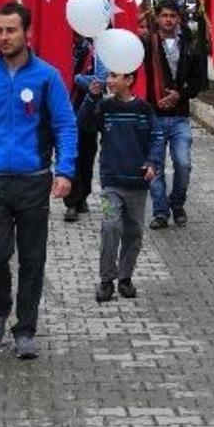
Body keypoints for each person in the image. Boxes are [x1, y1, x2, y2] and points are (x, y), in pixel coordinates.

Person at [0, 2, 77, 360]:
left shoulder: (47, 77)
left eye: (11, 30)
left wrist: (65, 171)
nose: (4, 37)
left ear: (27, 33)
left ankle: (25, 329)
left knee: (32, 260)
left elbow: (65, 126)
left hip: (34, 181)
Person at [78, 69, 160, 302]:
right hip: (111, 183)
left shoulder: (143, 109)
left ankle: (125, 277)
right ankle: (106, 280)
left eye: (115, 76)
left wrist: (152, 163)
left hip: (137, 183)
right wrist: (90, 98)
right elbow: (84, 125)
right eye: (109, 76)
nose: (109, 81)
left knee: (133, 232)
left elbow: (156, 137)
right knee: (110, 226)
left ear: (130, 80)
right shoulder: (104, 107)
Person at [145, 0, 208, 230]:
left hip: (180, 116)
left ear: (179, 18)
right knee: (156, 166)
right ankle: (160, 212)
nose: (168, 20)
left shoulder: (189, 44)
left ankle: (177, 203)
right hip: (154, 115)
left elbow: (199, 81)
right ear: (157, 18)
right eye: (164, 16)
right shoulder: (147, 44)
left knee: (183, 163)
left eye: (172, 16)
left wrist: (179, 94)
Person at [65, 33, 104, 222]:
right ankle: (71, 201)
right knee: (70, 155)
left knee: (87, 156)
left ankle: (83, 196)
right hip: (66, 111)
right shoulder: (61, 48)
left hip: (88, 111)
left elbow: (101, 80)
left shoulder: (95, 51)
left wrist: (78, 79)